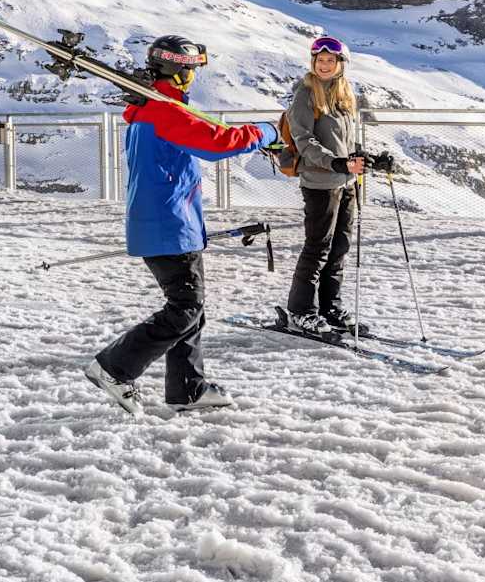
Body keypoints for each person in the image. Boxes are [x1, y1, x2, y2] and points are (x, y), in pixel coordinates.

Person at [84, 35, 271, 415]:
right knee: (184, 308)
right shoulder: (164, 112)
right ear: (180, 71)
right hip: (169, 224)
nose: (194, 77)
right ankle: (114, 367)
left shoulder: (153, 108)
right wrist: (267, 131)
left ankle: (188, 388)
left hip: (172, 222)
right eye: (192, 70)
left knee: (192, 308)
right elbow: (219, 142)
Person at [283, 34, 366, 335]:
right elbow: (304, 141)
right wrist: (336, 163)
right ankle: (301, 310)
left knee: (339, 247)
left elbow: (346, 141)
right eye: (320, 60)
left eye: (331, 60)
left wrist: (363, 157)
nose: (325, 65)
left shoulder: (343, 95)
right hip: (319, 183)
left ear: (341, 64)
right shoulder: (305, 94)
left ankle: (330, 306)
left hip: (346, 182)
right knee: (318, 247)